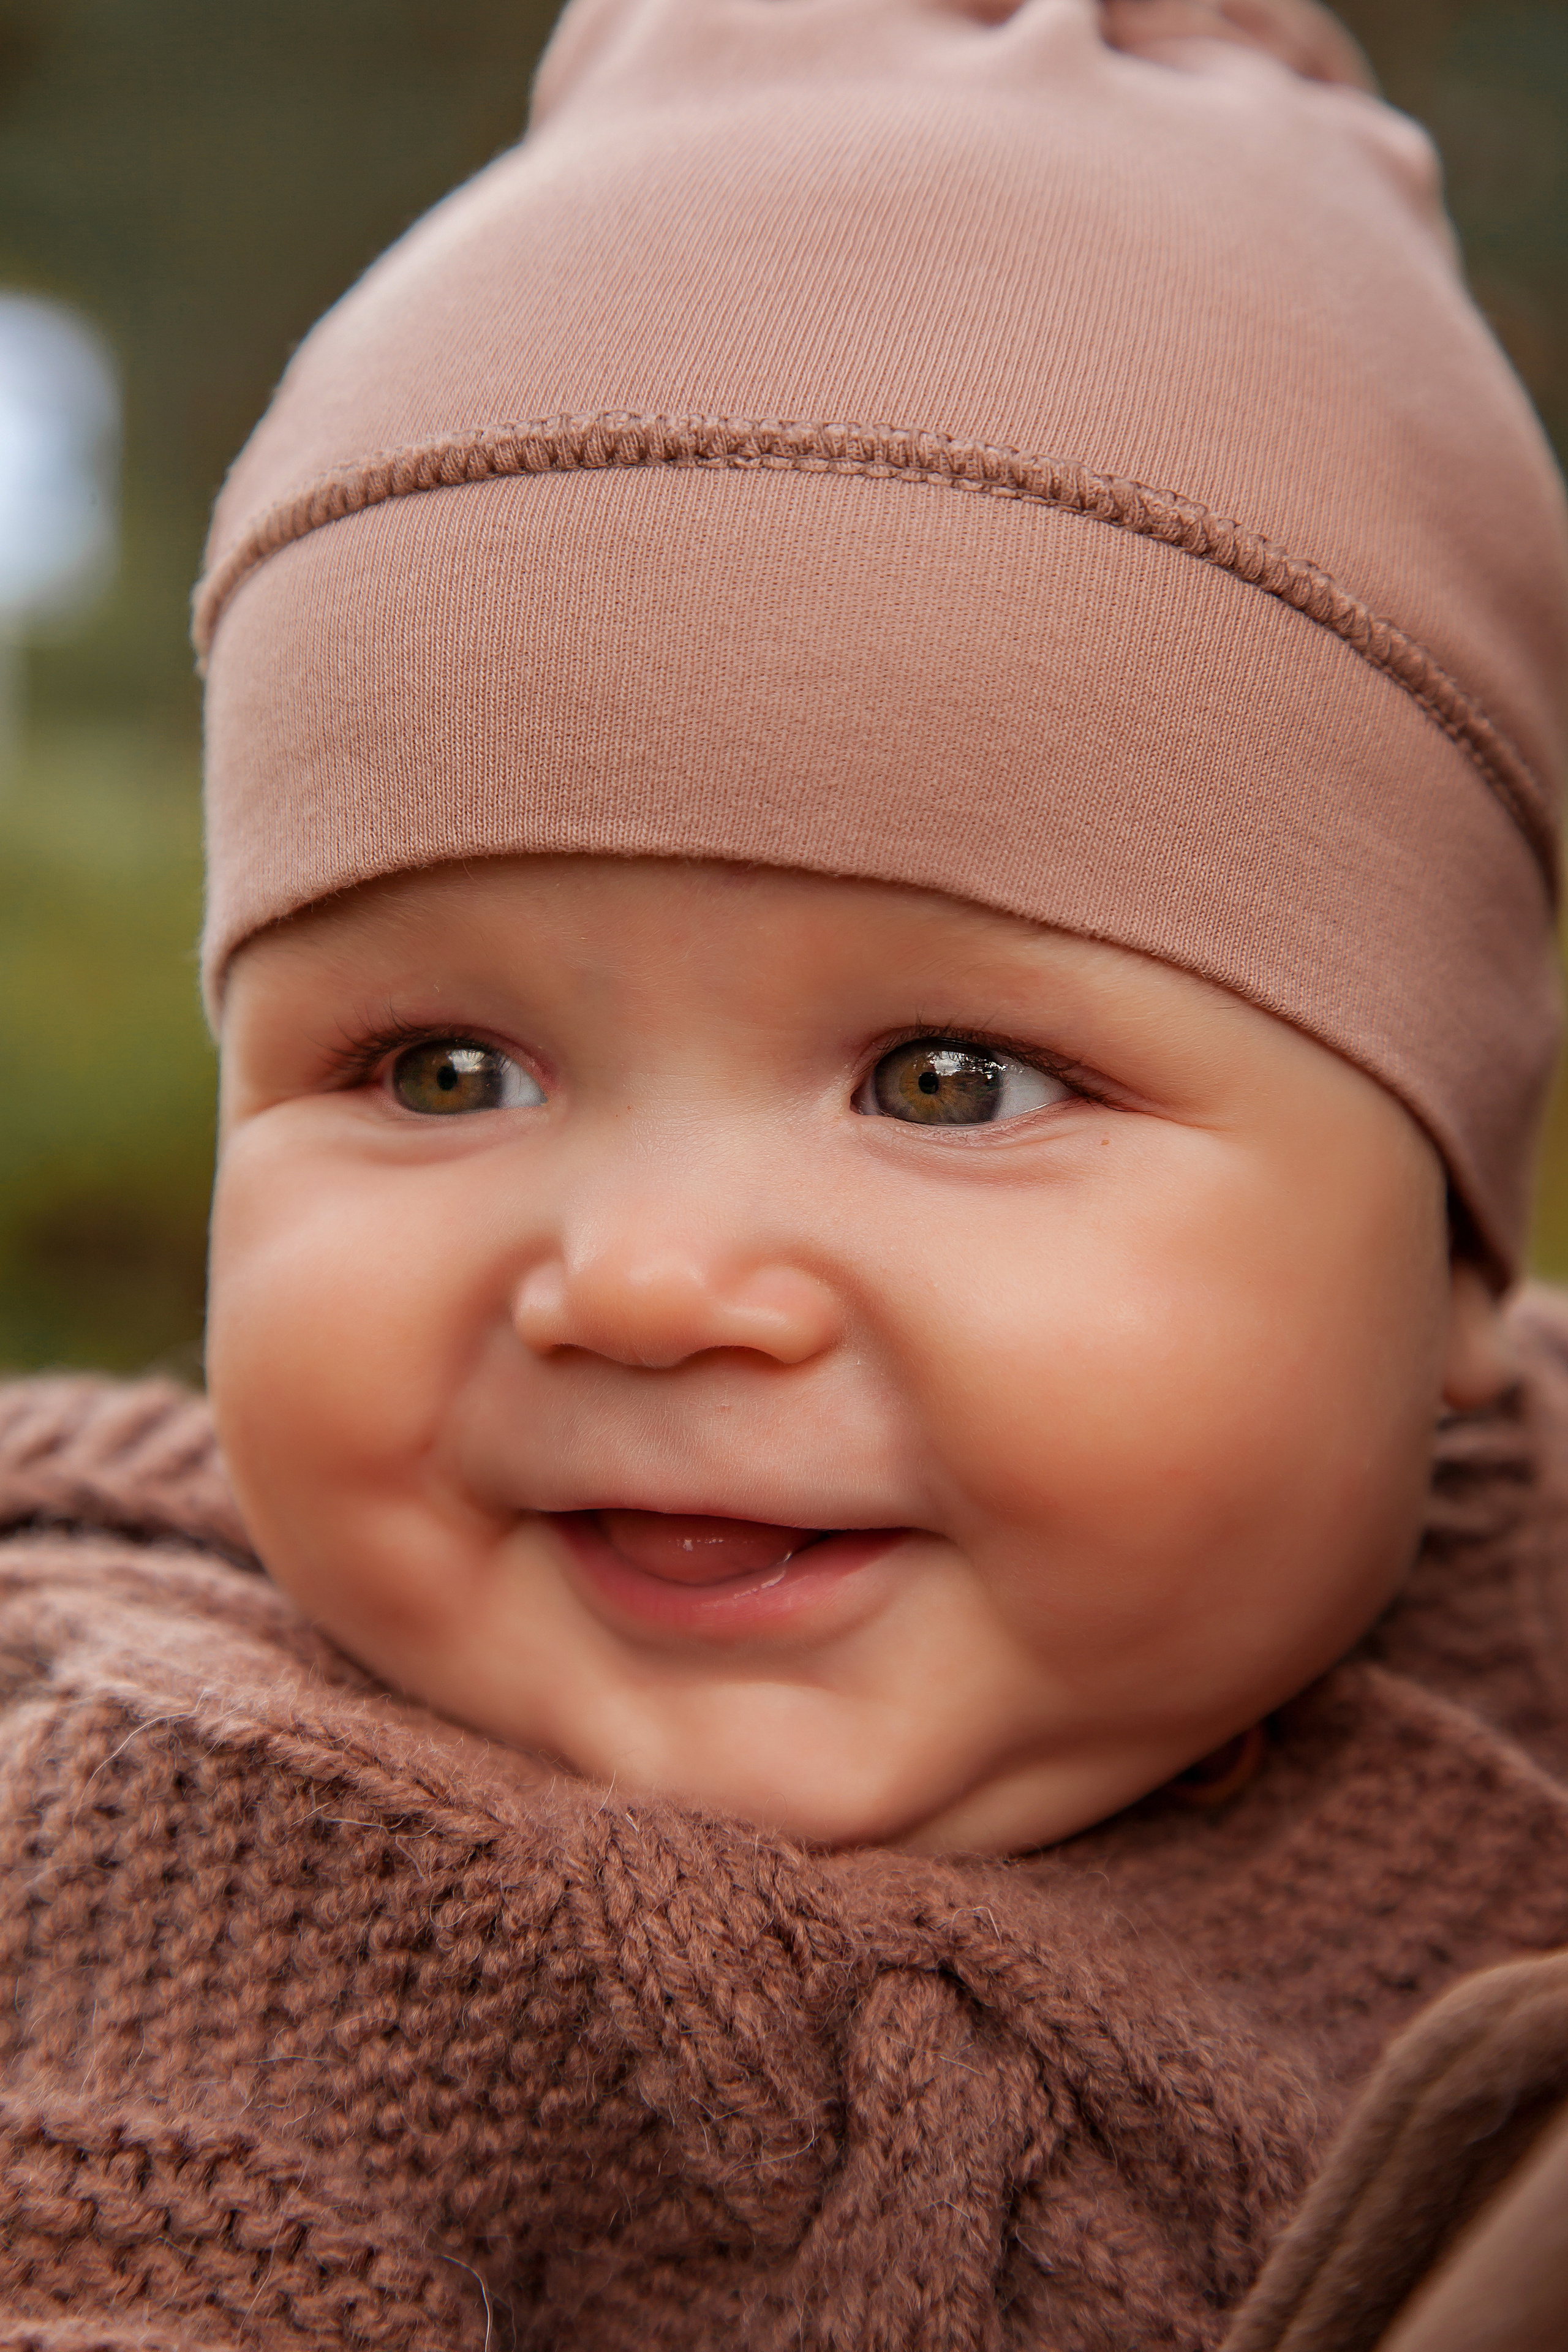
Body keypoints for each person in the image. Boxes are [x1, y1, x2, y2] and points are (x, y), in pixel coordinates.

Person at [4, 0, 1568, 2342]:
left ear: (1451, 1247)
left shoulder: (1511, 1567)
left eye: (950, 1084)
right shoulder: (215, 1895)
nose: (640, 1283)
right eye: (440, 1071)